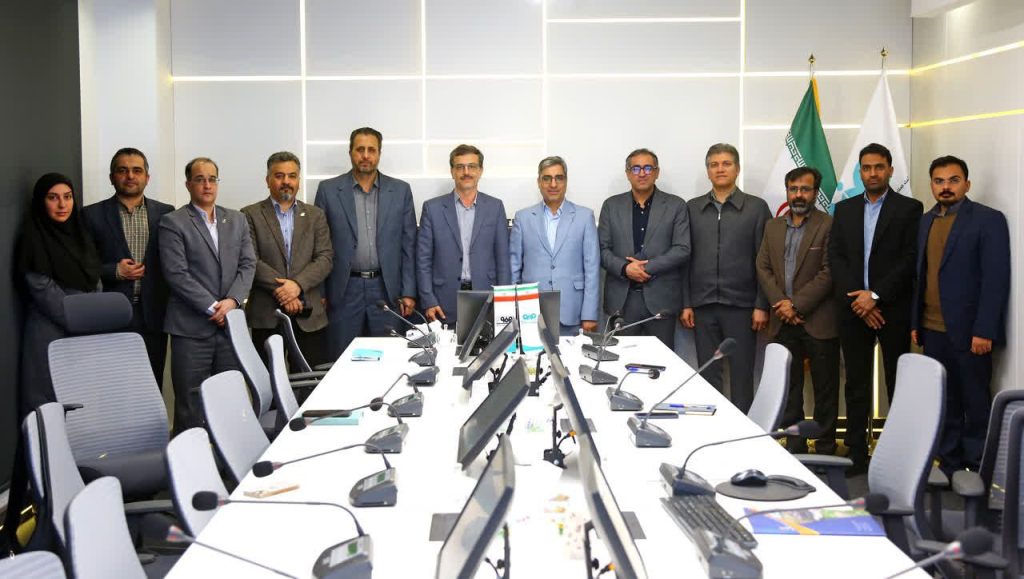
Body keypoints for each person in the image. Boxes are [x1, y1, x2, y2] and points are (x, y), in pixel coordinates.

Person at [911, 156, 1010, 474]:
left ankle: (978, 468)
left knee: (975, 402)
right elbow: (921, 275)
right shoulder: (925, 221)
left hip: (970, 332)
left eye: (953, 180)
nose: (946, 187)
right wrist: (915, 322)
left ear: (967, 184)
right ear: (931, 185)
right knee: (945, 401)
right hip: (932, 329)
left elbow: (995, 279)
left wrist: (985, 330)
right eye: (939, 181)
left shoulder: (987, 219)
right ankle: (950, 463)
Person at [829, 143, 922, 474]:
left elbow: (910, 259)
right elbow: (836, 257)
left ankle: (897, 454)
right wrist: (860, 301)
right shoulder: (844, 209)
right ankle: (856, 451)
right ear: (860, 172)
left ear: (890, 170)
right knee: (856, 384)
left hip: (892, 310)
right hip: (854, 310)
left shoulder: (910, 209)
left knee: (897, 383)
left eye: (879, 167)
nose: (872, 173)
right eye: (866, 168)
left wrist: (876, 295)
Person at [160, 158, 255, 433]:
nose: (207, 185)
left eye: (212, 179)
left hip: (229, 328)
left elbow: (248, 264)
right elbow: (176, 274)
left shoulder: (236, 219)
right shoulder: (173, 222)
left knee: (230, 400)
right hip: (191, 329)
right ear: (188, 184)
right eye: (200, 179)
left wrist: (232, 302)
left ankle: (228, 459)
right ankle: (190, 459)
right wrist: (214, 307)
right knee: (190, 405)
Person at [681, 143, 771, 412]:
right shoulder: (692, 208)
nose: (720, 169)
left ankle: (743, 431)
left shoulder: (756, 208)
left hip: (742, 307)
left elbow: (765, 261)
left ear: (737, 169)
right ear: (708, 171)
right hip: (703, 306)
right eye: (714, 165)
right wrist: (686, 303)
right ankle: (713, 430)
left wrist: (761, 304)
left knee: (742, 375)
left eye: (726, 164)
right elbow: (685, 259)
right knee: (708, 377)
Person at [756, 167, 839, 453]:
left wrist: (796, 304)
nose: (799, 195)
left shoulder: (828, 225)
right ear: (787, 192)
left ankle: (826, 448)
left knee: (825, 388)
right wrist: (781, 303)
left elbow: (829, 272)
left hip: (818, 320)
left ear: (815, 193)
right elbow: (762, 266)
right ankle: (795, 447)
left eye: (805, 189)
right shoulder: (772, 226)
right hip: (783, 321)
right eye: (793, 189)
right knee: (790, 389)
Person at [314, 128, 417, 358]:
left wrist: (409, 291)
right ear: (350, 152)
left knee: (390, 359)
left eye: (372, 150)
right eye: (360, 149)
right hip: (343, 291)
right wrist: (320, 291)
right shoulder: (328, 190)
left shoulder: (400, 191)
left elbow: (409, 245)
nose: (366, 155)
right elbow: (319, 246)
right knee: (342, 359)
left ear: (379, 153)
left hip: (387, 290)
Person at [83, 148, 174, 388]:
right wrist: (114, 271)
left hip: (153, 314)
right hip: (111, 314)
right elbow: (83, 265)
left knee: (151, 383)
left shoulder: (166, 213)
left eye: (137, 170)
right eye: (122, 170)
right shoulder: (91, 215)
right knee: (114, 385)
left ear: (147, 177)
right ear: (112, 177)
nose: (130, 176)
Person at [17, 173, 102, 417]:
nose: (62, 205)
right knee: (46, 403)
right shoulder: (33, 237)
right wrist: (81, 316)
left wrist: (91, 312)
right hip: (50, 330)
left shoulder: (80, 234)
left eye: (67, 197)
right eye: (53, 198)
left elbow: (94, 275)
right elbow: (41, 287)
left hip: (84, 329)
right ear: (41, 201)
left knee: (81, 401)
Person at [243, 152, 333, 367]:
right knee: (268, 382)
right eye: (279, 176)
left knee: (309, 381)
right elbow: (251, 260)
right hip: (266, 315)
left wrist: (297, 286)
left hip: (308, 316)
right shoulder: (249, 214)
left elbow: (325, 258)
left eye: (292, 176)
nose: (286, 181)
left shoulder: (315, 215)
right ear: (267, 180)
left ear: (298, 180)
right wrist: (286, 292)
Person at [598, 148, 689, 348]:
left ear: (657, 172)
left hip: (661, 300)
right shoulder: (611, 206)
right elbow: (602, 250)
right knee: (621, 361)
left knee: (660, 363)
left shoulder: (676, 205)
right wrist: (625, 268)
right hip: (622, 301)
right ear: (627, 173)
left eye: (648, 168)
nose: (642, 173)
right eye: (636, 168)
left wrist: (647, 268)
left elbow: (682, 249)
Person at [417, 144, 511, 325]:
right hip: (443, 301)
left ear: (480, 171)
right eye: (460, 167)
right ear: (452, 171)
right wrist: (428, 299)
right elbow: (423, 260)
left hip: (487, 297)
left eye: (472, 166)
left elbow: (503, 260)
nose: (466, 172)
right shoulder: (432, 208)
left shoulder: (495, 207)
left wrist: (504, 299)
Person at [510, 156, 599, 336]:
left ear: (566, 181)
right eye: (547, 178)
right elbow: (514, 268)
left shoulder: (584, 216)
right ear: (539, 182)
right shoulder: (523, 217)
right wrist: (513, 309)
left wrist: (589, 314)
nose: (553, 184)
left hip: (572, 311)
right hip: (530, 310)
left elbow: (592, 269)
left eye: (559, 178)